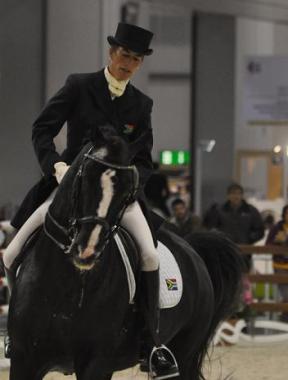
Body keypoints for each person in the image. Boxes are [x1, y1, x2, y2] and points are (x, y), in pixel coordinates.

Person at [3, 23, 178, 378]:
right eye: (125, 55)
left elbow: (144, 159)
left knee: (147, 253)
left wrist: (127, 184)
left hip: (117, 197)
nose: (129, 63)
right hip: (69, 187)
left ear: (140, 64)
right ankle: (16, 333)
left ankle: (151, 342)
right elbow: (42, 129)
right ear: (112, 53)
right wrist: (57, 167)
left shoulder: (141, 104)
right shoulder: (79, 86)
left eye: (136, 59)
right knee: (12, 251)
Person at [203, 182, 264, 270]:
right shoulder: (219, 210)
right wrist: (219, 240)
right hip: (224, 252)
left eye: (239, 193)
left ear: (242, 195)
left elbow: (260, 230)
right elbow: (210, 227)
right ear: (228, 195)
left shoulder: (251, 211)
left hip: (244, 252)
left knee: (244, 278)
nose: (236, 196)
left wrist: (249, 239)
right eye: (233, 193)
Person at [266, 205, 288, 322]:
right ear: (284, 215)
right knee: (286, 295)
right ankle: (284, 321)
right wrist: (277, 241)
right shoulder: (277, 228)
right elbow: (267, 245)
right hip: (280, 266)